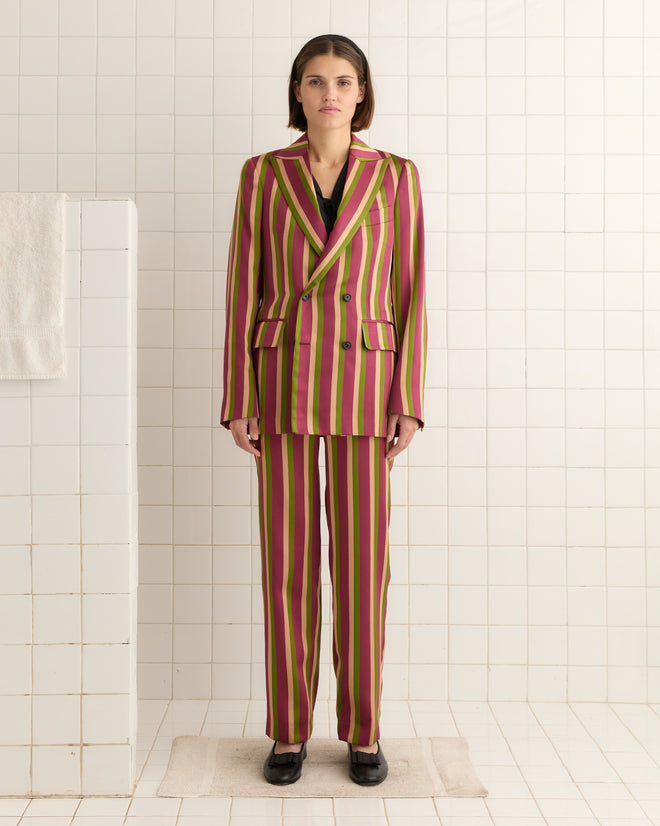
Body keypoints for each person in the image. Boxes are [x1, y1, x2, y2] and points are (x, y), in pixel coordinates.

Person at [220, 33, 426, 787]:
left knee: (364, 568)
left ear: (363, 93)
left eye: (344, 80)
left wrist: (409, 401)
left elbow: (410, 292)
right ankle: (287, 732)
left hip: (367, 390)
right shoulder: (262, 176)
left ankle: (363, 731)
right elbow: (246, 284)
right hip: (282, 384)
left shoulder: (397, 177)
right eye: (315, 81)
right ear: (297, 93)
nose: (330, 93)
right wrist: (238, 396)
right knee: (288, 568)